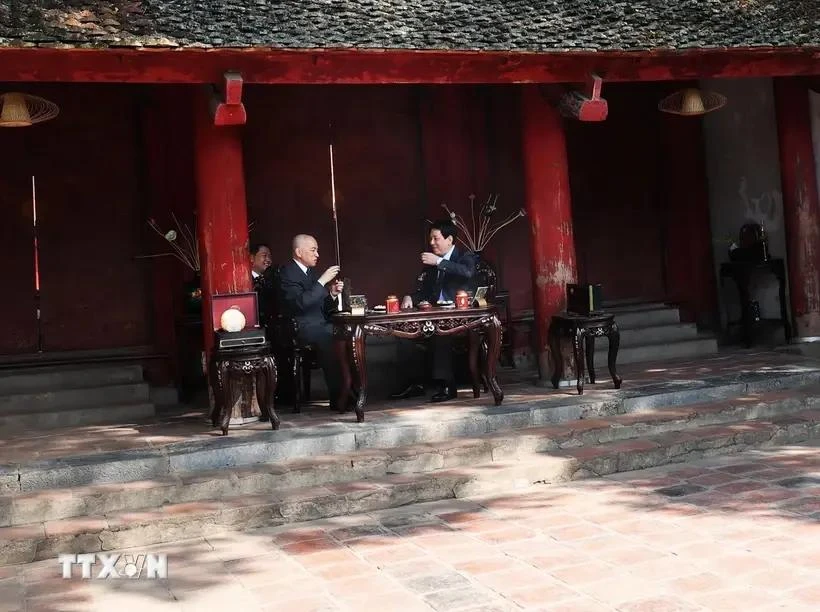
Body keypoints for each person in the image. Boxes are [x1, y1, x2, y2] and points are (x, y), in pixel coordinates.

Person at [394, 219, 477, 402]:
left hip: (459, 316)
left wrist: (439, 262)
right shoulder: (431, 263)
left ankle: (446, 385)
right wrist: (410, 297)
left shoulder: (465, 256)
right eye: (430, 239)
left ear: (449, 239)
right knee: (402, 331)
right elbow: (424, 291)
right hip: (432, 314)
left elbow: (467, 272)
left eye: (435, 238)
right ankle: (414, 383)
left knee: (441, 332)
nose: (431, 243)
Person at [278, 234, 347, 409]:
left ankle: (350, 391)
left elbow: (323, 304)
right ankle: (339, 398)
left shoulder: (310, 272)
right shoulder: (287, 273)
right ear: (298, 252)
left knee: (346, 332)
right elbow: (299, 303)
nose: (317, 255)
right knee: (330, 335)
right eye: (313, 250)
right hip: (301, 327)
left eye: (317, 250)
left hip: (319, 323)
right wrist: (322, 281)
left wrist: (332, 293)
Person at [249, 243, 275, 326]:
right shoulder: (246, 281)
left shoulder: (272, 279)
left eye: (270, 256)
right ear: (252, 258)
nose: (268, 259)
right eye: (264, 255)